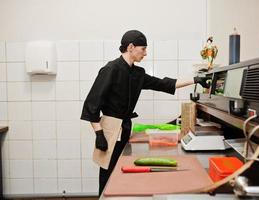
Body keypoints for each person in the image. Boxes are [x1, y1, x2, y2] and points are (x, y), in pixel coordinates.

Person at [80, 30, 210, 196]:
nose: (145, 53)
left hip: (125, 127)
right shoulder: (110, 69)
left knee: (120, 171)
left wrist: (195, 80)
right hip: (109, 129)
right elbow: (92, 104)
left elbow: (163, 84)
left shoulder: (137, 73)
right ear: (131, 47)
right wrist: (99, 134)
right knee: (107, 172)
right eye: (143, 49)